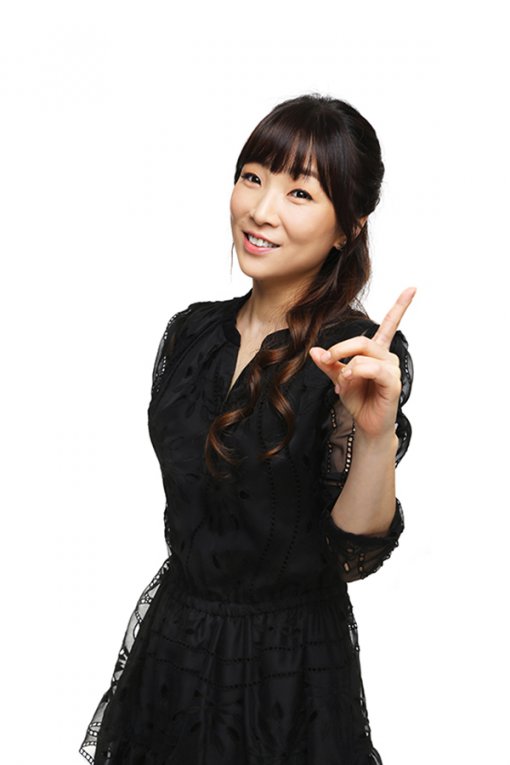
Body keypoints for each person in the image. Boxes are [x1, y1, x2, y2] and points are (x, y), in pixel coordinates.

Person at [79, 92, 415, 765]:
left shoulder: (354, 354)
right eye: (253, 177)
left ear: (348, 227)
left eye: (300, 193)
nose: (261, 210)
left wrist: (375, 436)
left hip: (289, 667)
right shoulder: (191, 332)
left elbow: (353, 552)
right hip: (176, 645)